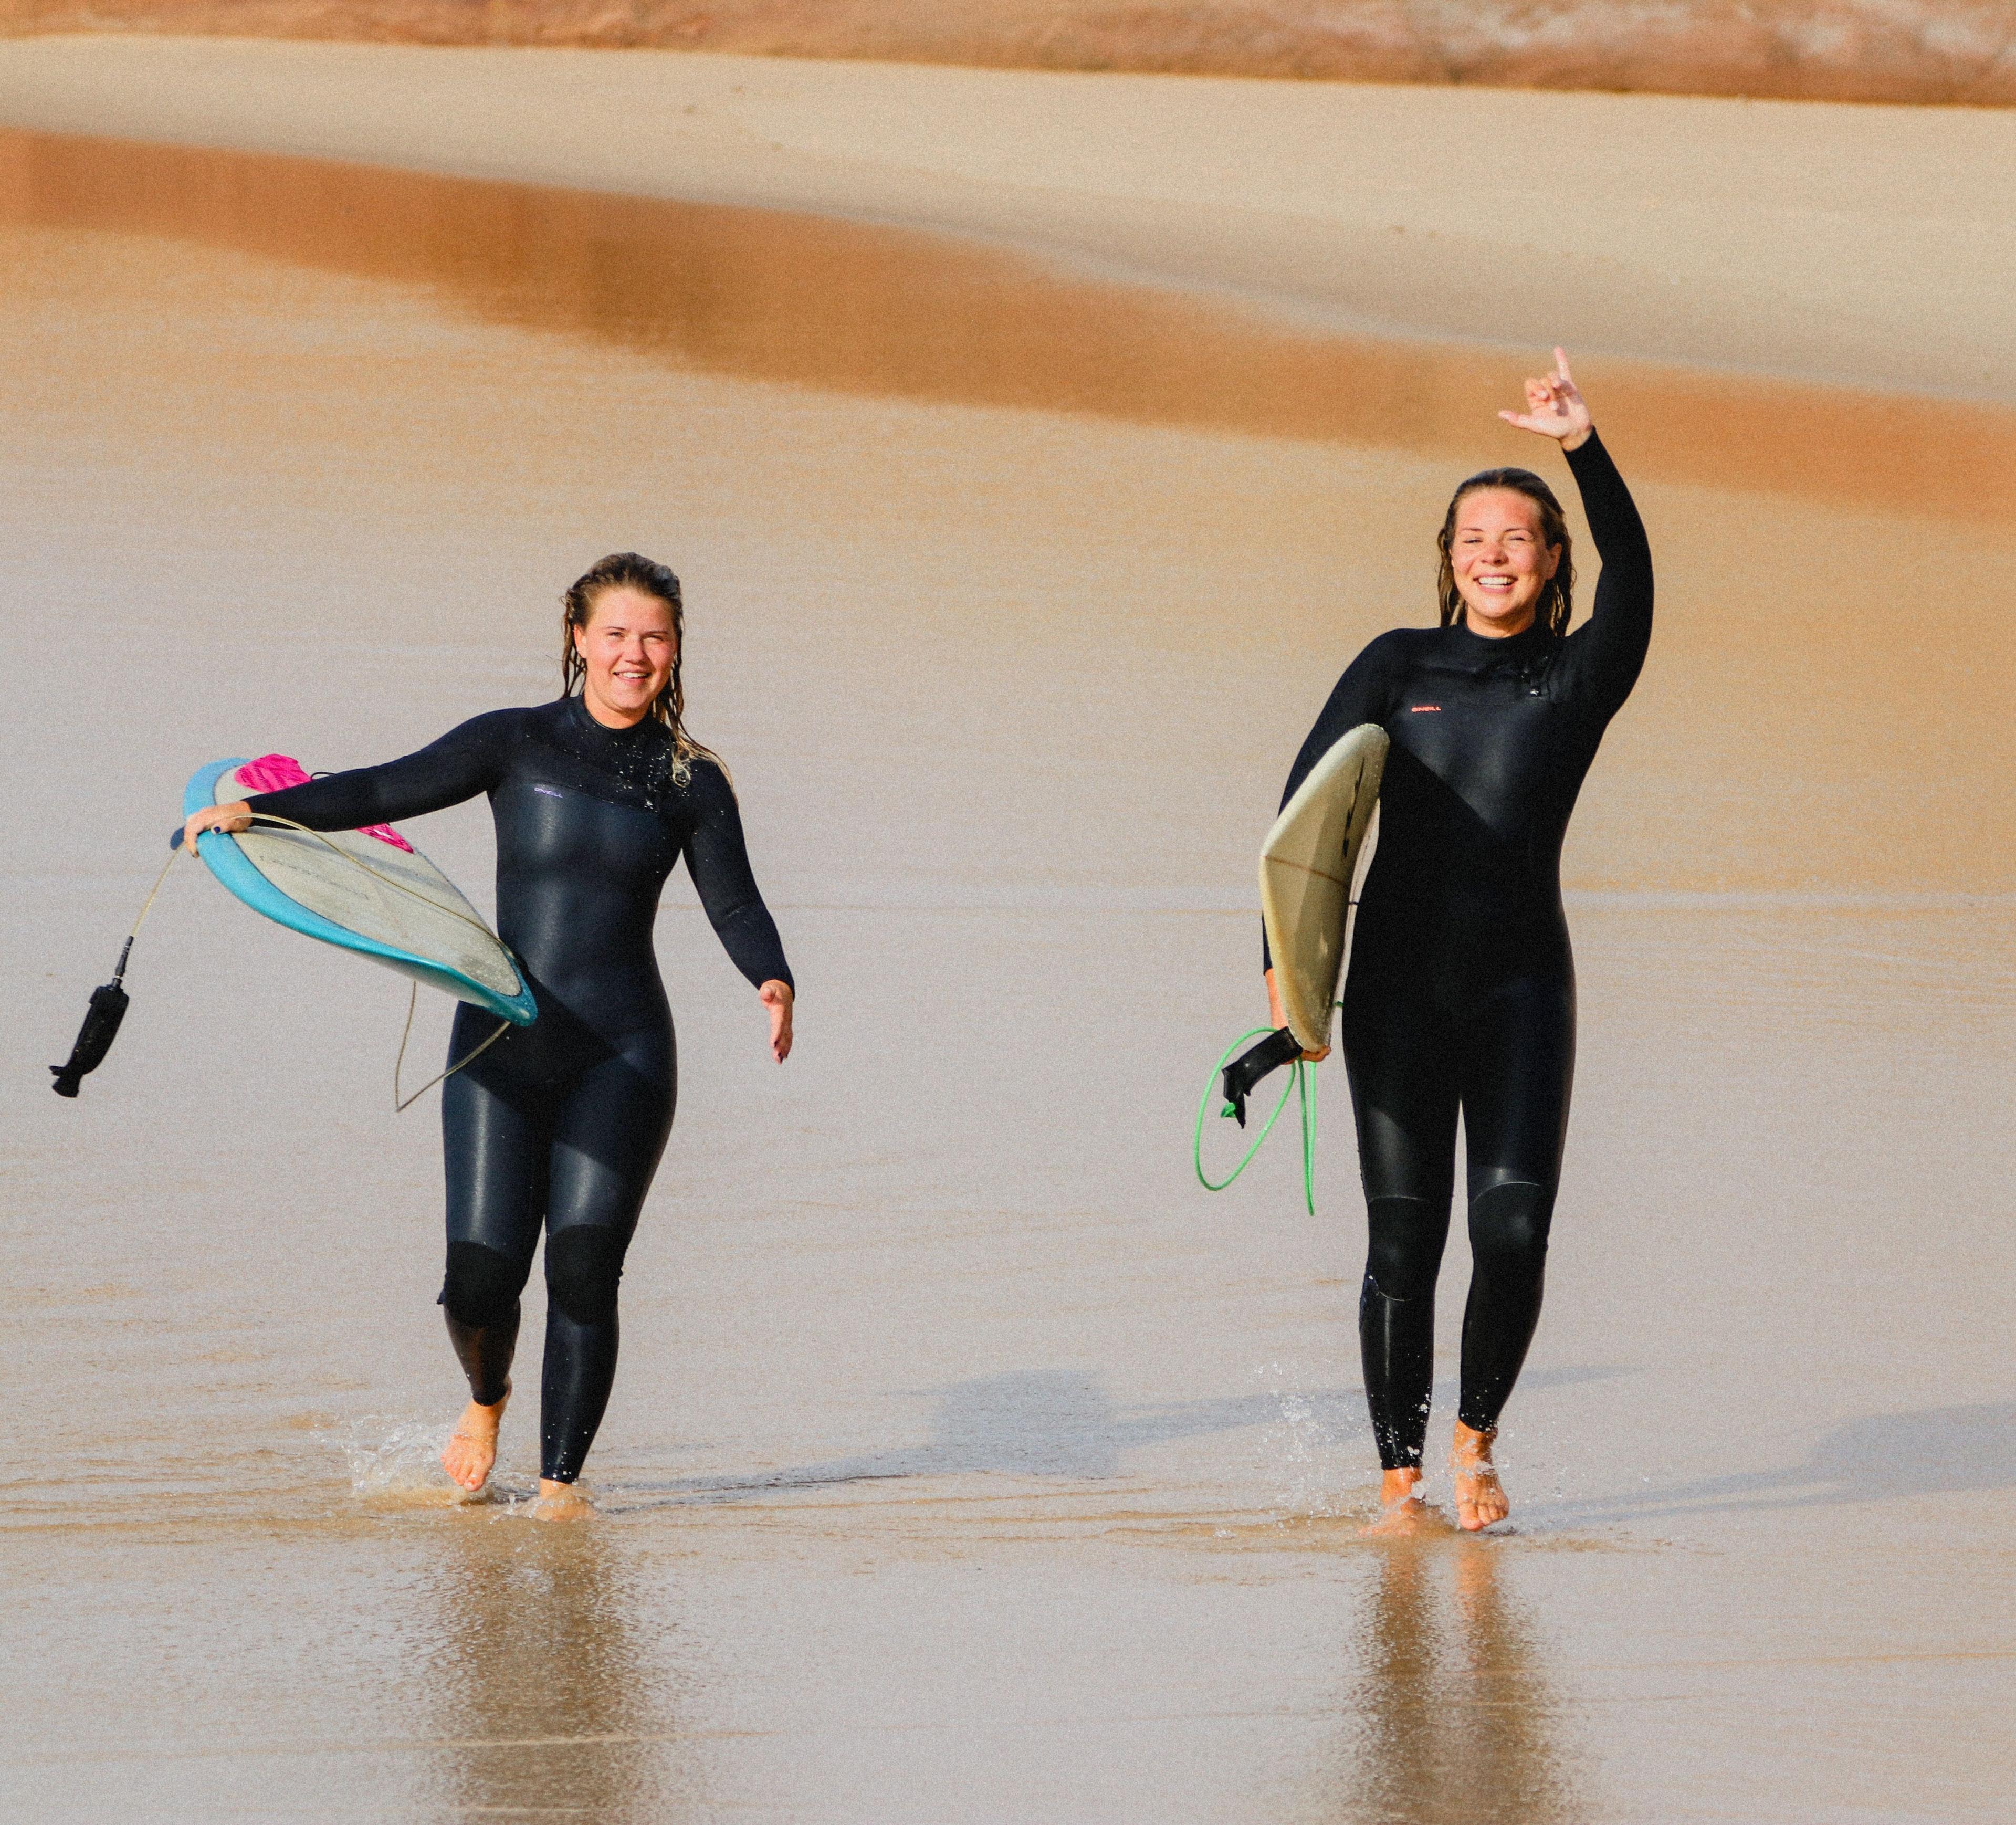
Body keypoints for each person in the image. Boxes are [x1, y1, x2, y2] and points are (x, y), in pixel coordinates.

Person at [183, 553, 794, 1517]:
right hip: (498, 1042)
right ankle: (486, 1398)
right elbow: (385, 790)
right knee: (478, 1282)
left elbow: (736, 900)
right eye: (618, 634)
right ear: (579, 640)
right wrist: (257, 812)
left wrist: (772, 977)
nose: (636, 655)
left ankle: (559, 1489)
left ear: (677, 651)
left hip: (623, 1052)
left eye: (657, 637)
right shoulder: (514, 744)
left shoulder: (691, 780)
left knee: (586, 1269)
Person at [1265, 351, 1652, 1533]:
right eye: (1473, 536)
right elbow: (1305, 824)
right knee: (1405, 1240)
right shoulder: (1397, 664)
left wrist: (1582, 450)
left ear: (1549, 562)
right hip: (1392, 989)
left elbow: (1635, 578)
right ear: (1448, 558)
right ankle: (1400, 1482)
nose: (1493, 552)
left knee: (1517, 1227)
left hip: (1522, 986)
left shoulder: (1577, 678)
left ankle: (1476, 1438)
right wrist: (1288, 972)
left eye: (1517, 537)